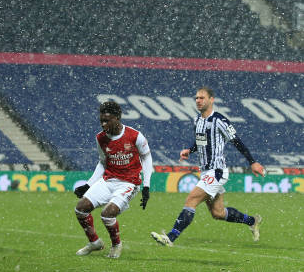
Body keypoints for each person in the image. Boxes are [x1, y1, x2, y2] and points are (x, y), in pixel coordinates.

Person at [151, 86, 265, 247]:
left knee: (191, 199)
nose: (198, 100)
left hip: (217, 171)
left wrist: (252, 162)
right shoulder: (197, 120)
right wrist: (189, 150)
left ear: (211, 100)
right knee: (218, 213)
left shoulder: (220, 120)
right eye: (196, 98)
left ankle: (170, 237)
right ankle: (252, 221)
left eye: (202, 98)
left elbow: (237, 141)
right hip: (206, 172)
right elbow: (201, 141)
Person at [73, 101, 152, 259]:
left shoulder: (134, 135)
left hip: (129, 183)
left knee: (107, 214)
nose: (103, 124)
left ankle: (116, 245)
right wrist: (88, 184)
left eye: (107, 120)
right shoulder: (100, 138)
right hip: (108, 180)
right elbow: (103, 162)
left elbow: (147, 157)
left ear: (117, 118)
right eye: (101, 120)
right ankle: (94, 242)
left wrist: (146, 186)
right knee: (81, 208)